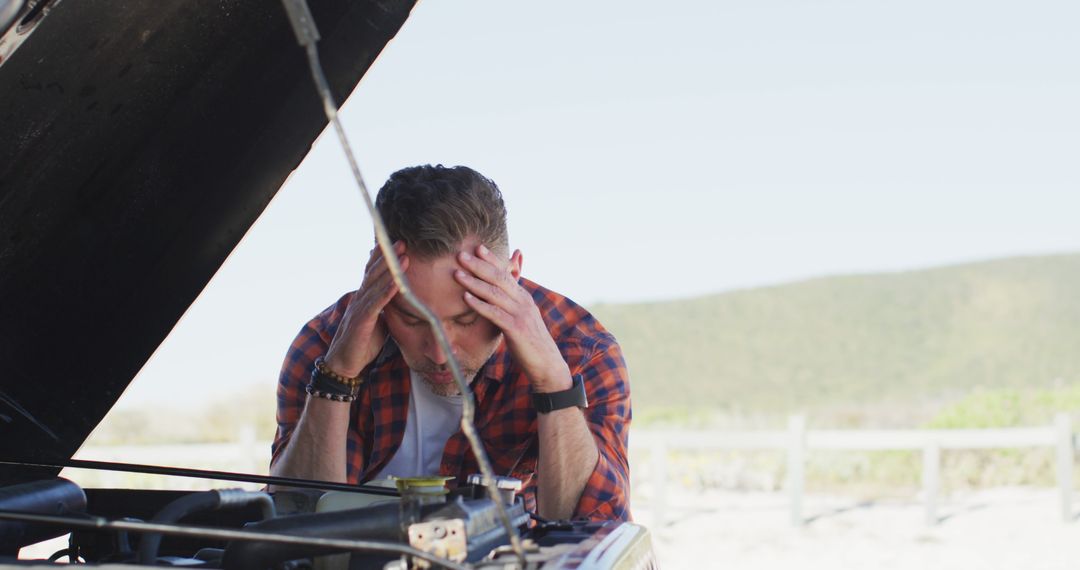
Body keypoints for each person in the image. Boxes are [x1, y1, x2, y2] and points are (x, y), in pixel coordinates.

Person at [270, 165, 631, 521]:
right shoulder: (324, 344)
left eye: (465, 319)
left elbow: (595, 532)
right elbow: (295, 523)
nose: (440, 353)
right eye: (412, 319)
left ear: (512, 276)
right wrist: (337, 377)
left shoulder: (580, 350)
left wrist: (554, 385)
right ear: (376, 285)